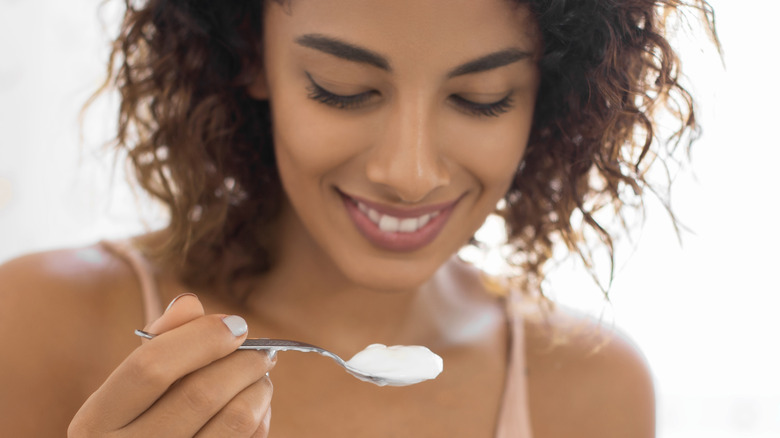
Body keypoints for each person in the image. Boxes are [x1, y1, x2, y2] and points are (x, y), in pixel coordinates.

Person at [0, 0, 718, 436]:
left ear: (548, 96)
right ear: (250, 52)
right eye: (341, 90)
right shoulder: (41, 327)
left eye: (482, 98)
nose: (408, 174)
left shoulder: (593, 390)